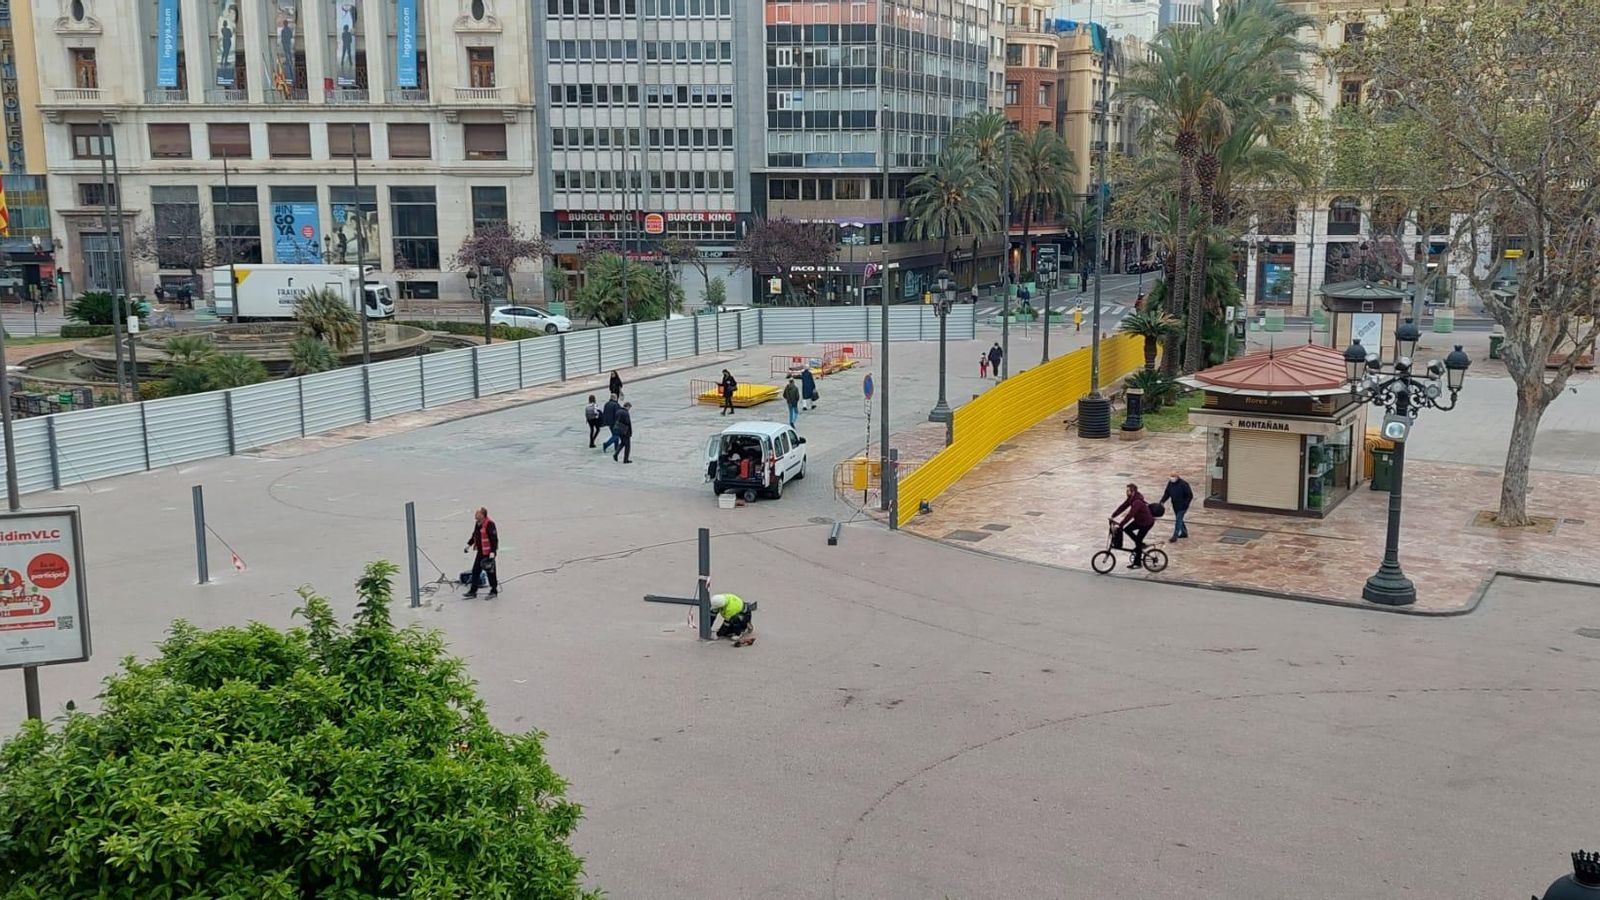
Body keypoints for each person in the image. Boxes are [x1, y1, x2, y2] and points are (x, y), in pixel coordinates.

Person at [1110, 483, 1156, 569]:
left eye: (1128, 491)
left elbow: (1130, 515)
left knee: (1137, 541)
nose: (1126, 492)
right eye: (1126, 490)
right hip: (1139, 521)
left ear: (1133, 491)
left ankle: (1137, 563)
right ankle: (1141, 544)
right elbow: (1123, 506)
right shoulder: (1131, 498)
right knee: (1127, 529)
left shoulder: (1137, 502)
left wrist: (1121, 525)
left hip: (1146, 523)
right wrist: (1114, 515)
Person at [462, 507, 499, 598]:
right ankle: (473, 591)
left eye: (477, 514)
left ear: (482, 515)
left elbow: (494, 539)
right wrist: (469, 545)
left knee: (490, 572)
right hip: (480, 552)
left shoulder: (490, 524)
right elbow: (475, 535)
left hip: (488, 553)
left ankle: (494, 591)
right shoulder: (478, 523)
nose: (475, 515)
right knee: (475, 571)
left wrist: (493, 552)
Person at [1159, 472, 1194, 542]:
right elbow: (1167, 493)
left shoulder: (1184, 484)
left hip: (1182, 506)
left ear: (1177, 477)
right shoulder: (1170, 484)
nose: (1172, 478)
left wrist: (1185, 504)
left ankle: (1175, 535)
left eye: (1173, 476)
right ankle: (1184, 532)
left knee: (1178, 519)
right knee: (1179, 519)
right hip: (1175, 505)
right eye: (1171, 476)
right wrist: (1162, 501)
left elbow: (1190, 495)